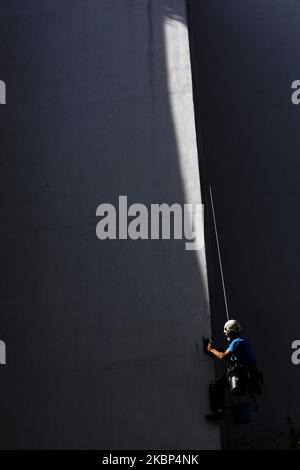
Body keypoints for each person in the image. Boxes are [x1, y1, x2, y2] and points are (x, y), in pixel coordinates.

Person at [205, 319, 257, 422]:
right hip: (246, 372)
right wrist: (217, 350)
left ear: (229, 332)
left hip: (240, 372)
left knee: (215, 385)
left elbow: (223, 356)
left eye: (226, 333)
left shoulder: (237, 342)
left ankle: (219, 412)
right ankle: (221, 411)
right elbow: (230, 355)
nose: (226, 335)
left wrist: (211, 350)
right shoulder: (241, 342)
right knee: (221, 384)